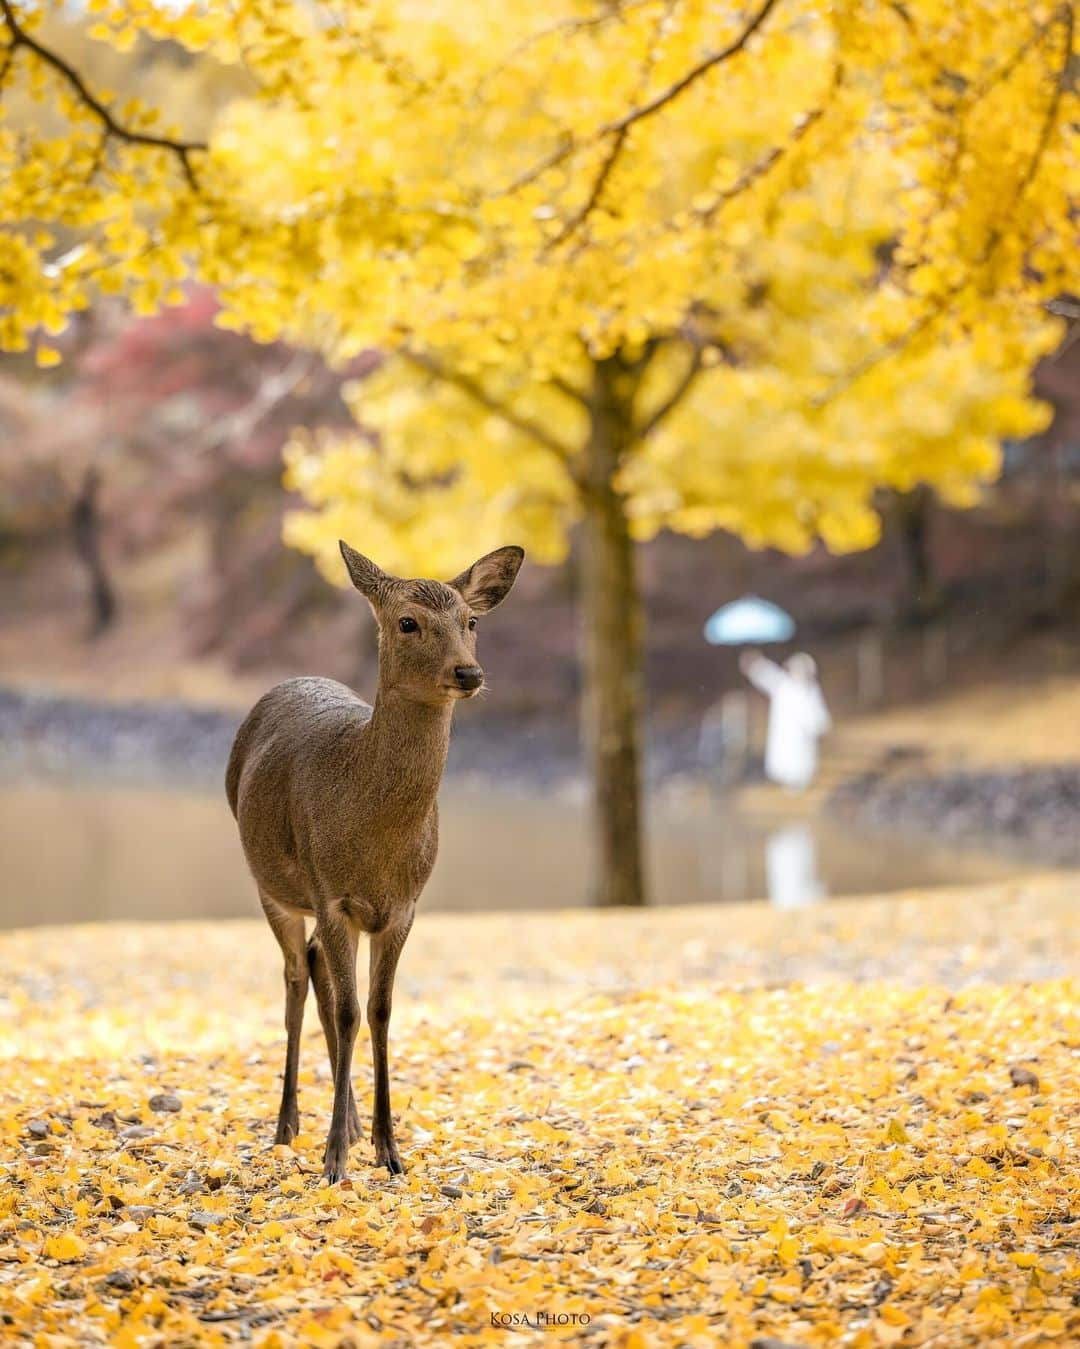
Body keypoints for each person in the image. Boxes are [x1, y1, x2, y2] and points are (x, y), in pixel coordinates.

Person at [739, 650, 831, 791]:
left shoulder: (810, 693)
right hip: (782, 749)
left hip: (802, 752)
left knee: (799, 775)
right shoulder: (783, 686)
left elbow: (820, 723)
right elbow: (766, 674)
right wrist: (754, 665)